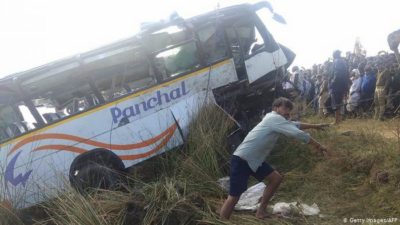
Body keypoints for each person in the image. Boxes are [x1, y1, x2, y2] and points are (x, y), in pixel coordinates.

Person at [219, 97, 329, 220]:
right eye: (285, 108)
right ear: (276, 108)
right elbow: (297, 133)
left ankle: (261, 211)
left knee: (276, 178)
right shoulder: (274, 118)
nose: (288, 111)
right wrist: (319, 146)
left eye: (289, 109)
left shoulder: (276, 119)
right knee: (234, 197)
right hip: (243, 159)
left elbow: (295, 125)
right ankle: (221, 222)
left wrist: (315, 126)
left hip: (254, 160)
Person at [330, 50, 350, 124]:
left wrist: (332, 82)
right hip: (342, 85)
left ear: (335, 54)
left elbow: (337, 73)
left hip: (337, 85)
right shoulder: (343, 62)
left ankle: (337, 121)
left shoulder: (337, 61)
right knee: (339, 102)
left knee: (336, 103)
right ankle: (339, 120)